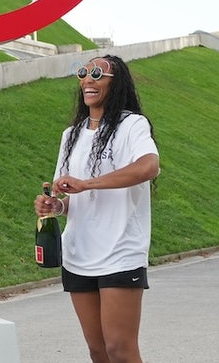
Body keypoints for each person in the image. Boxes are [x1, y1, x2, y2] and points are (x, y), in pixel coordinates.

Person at [34, 54, 160, 363]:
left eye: (97, 73)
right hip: (79, 253)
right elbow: (68, 196)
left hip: (120, 251)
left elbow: (149, 166)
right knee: (98, 351)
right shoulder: (71, 135)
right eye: (82, 72)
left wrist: (89, 184)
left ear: (116, 84)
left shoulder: (132, 125)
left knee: (121, 349)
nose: (87, 79)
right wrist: (55, 205)